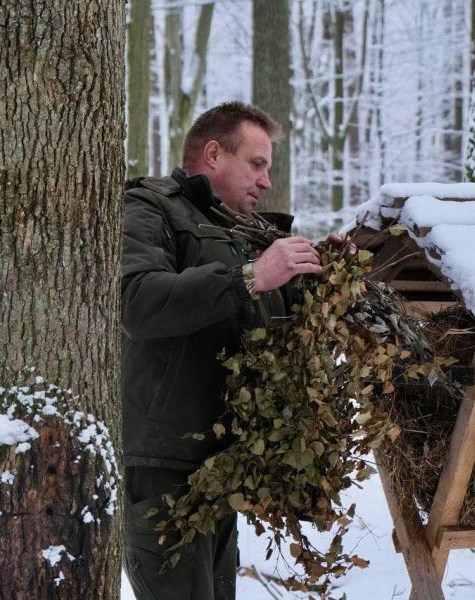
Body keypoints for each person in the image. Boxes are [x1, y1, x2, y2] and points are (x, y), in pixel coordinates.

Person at [121, 101, 342, 600]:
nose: (266, 182)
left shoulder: (244, 230)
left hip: (223, 465)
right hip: (164, 463)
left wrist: (319, 275)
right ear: (214, 154)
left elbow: (261, 317)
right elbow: (136, 301)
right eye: (257, 164)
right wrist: (251, 275)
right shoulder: (149, 207)